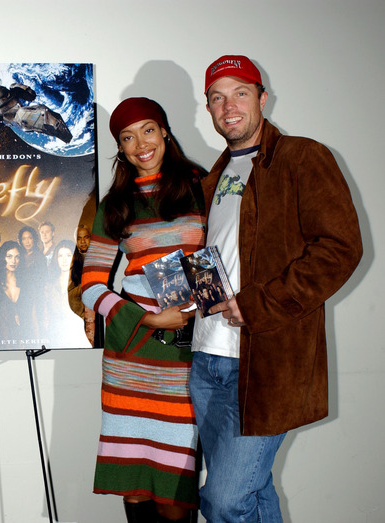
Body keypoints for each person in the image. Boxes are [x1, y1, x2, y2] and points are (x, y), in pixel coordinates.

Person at [190, 55, 362, 522]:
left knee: (224, 499)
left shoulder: (302, 157)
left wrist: (259, 304)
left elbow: (340, 249)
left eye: (240, 93)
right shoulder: (213, 176)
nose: (229, 107)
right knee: (255, 492)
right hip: (207, 359)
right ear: (207, 108)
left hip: (265, 362)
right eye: (217, 98)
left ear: (263, 98)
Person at [81, 97, 207, 521]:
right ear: (120, 147)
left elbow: (227, 259)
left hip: (188, 359)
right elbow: (91, 285)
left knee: (175, 492)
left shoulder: (201, 187)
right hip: (133, 358)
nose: (140, 144)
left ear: (165, 131)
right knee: (134, 489)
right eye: (127, 137)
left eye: (147, 130)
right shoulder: (115, 204)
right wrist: (148, 318)